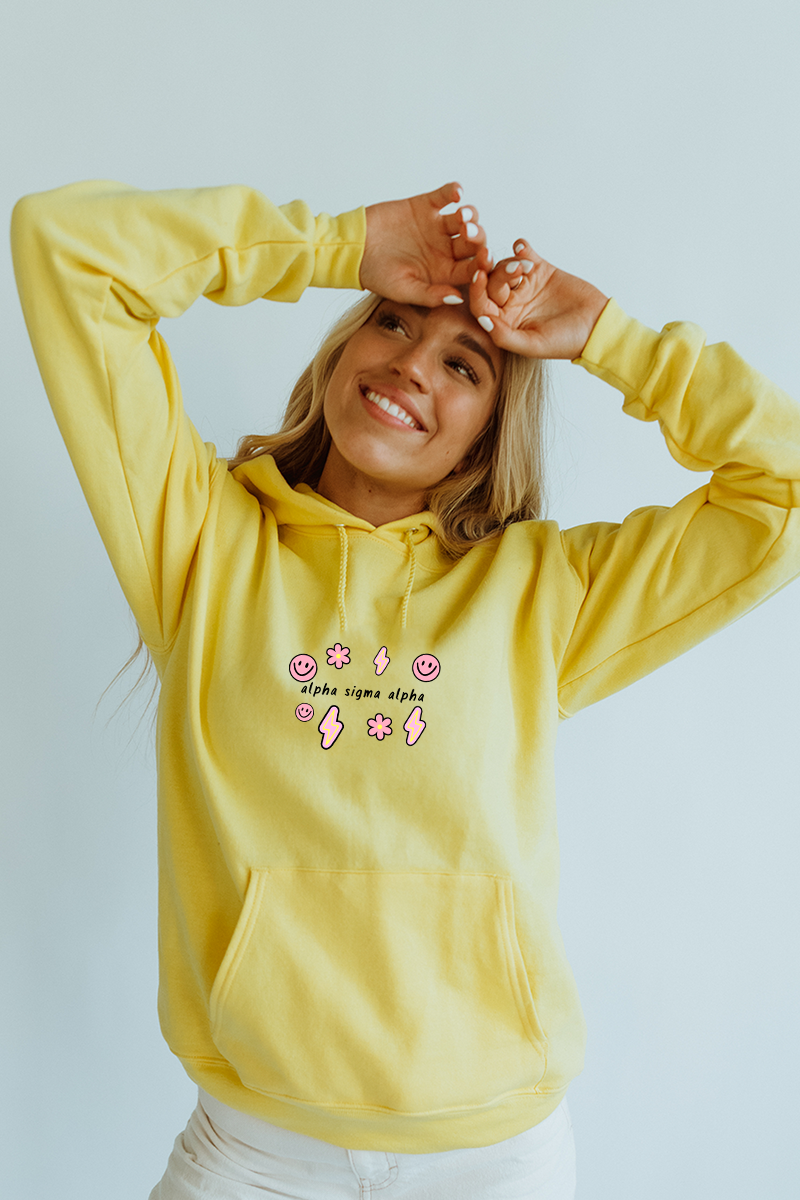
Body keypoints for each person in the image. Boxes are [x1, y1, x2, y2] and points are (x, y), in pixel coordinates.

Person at [10, 176, 800, 1200]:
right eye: (390, 323)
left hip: (493, 1158)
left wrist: (614, 339)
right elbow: (64, 248)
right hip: (253, 1152)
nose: (409, 366)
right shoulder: (199, 543)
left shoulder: (542, 593)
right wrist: (338, 245)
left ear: (488, 432)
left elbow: (782, 489)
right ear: (340, 352)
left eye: (463, 364)